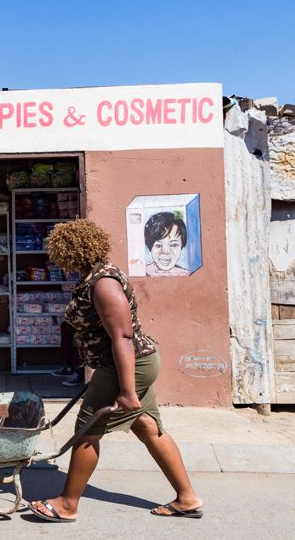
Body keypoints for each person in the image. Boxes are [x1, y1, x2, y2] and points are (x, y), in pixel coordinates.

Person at [29, 218, 203, 522]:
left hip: (127, 364)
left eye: (59, 254)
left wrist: (125, 390)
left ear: (71, 252)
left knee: (87, 430)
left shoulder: (103, 283)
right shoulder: (96, 276)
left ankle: (68, 504)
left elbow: (121, 337)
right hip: (132, 362)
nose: (58, 260)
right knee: (147, 426)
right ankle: (187, 498)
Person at [142, 211, 189, 277]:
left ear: (182, 245)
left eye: (173, 245)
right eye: (158, 245)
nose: (165, 251)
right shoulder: (142, 272)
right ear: (150, 248)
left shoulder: (185, 273)